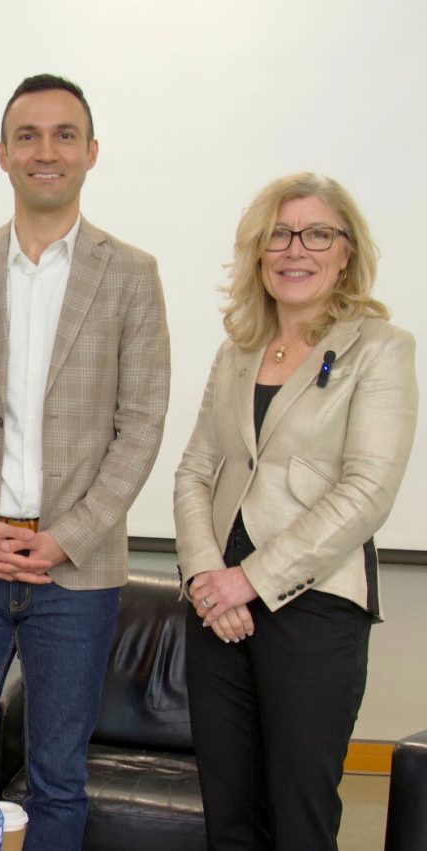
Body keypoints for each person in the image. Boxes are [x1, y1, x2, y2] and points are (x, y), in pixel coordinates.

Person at [0, 73, 171, 851]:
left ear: (91, 152)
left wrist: (68, 537)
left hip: (75, 572)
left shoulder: (132, 274)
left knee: (59, 775)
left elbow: (141, 424)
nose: (44, 151)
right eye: (27, 136)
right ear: (2, 154)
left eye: (63, 135)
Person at [174, 173, 417, 850]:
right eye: (278, 234)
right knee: (229, 816)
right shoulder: (237, 351)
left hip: (314, 607)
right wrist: (206, 576)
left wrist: (248, 579)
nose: (294, 249)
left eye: (316, 234)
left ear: (346, 251)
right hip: (217, 610)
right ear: (258, 252)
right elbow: (195, 471)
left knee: (298, 817)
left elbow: (367, 490)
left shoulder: (382, 348)